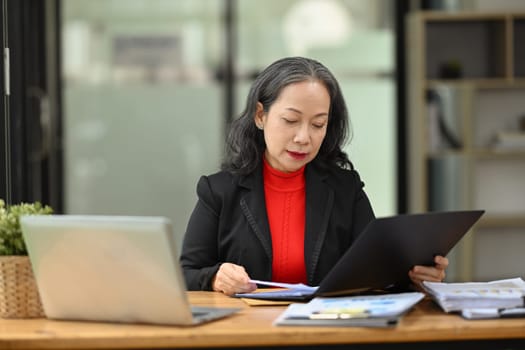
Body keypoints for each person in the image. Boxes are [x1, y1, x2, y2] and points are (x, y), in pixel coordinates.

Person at [179, 56, 448, 296]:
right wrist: (215, 277)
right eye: (291, 120)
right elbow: (186, 273)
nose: (303, 138)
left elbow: (376, 270)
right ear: (260, 116)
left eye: (318, 124)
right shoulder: (219, 191)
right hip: (247, 333)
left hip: (325, 331)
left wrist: (416, 277)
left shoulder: (345, 189)